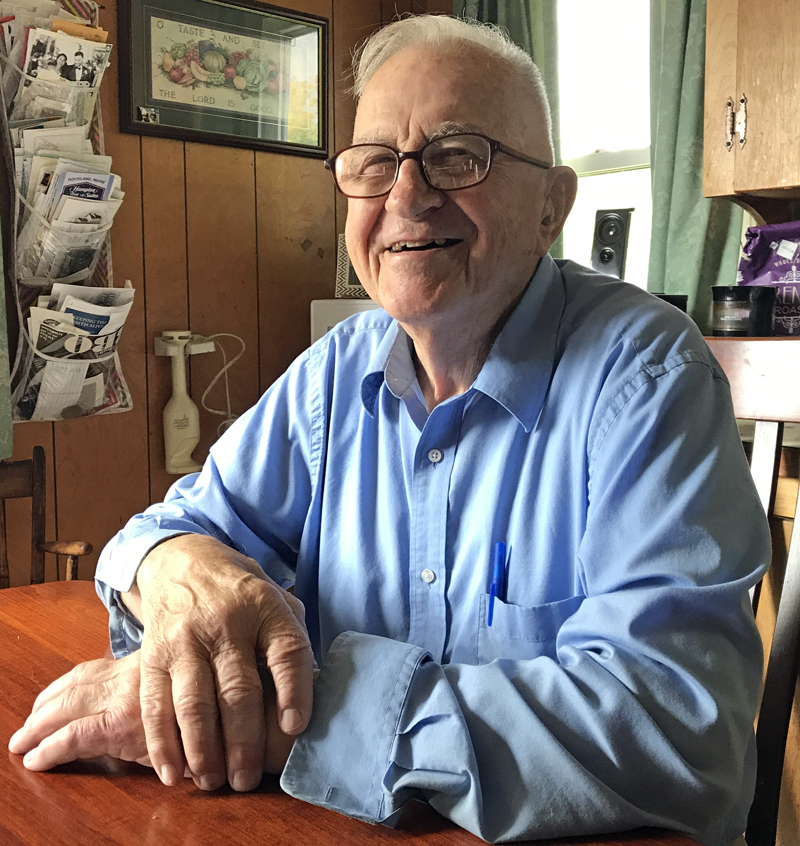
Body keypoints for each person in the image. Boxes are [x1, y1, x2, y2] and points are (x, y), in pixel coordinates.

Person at [9, 15, 768, 846]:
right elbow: (171, 532)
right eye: (375, 164)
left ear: (552, 204)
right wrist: (177, 566)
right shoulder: (337, 371)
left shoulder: (646, 377)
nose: (406, 196)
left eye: (457, 156)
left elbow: (673, 728)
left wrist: (284, 721)